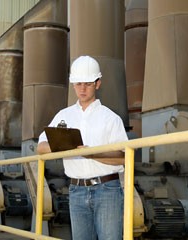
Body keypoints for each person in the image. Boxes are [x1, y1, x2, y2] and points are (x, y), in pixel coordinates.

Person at [37, 55, 128, 240]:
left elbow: (123, 157)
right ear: (73, 85)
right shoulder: (64, 116)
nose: (82, 88)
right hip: (76, 190)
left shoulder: (111, 119)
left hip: (107, 189)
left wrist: (89, 153)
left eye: (87, 83)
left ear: (98, 84)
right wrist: (65, 146)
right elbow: (41, 147)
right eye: (78, 84)